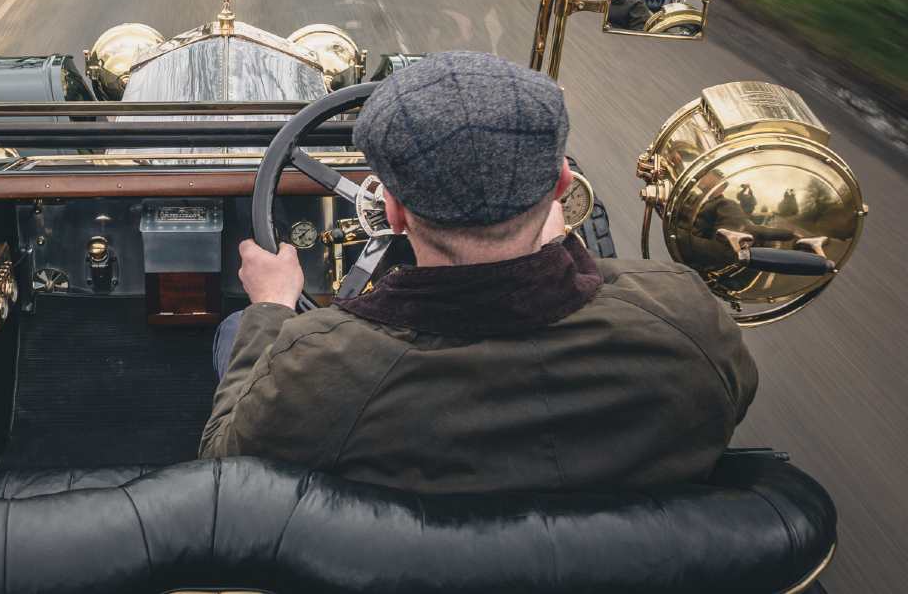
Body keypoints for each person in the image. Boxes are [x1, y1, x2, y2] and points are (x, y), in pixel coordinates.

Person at [199, 51, 757, 495]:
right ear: (563, 185)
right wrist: (560, 251)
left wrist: (271, 305)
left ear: (390, 211)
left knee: (237, 329)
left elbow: (226, 463)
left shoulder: (320, 367)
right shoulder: (686, 321)